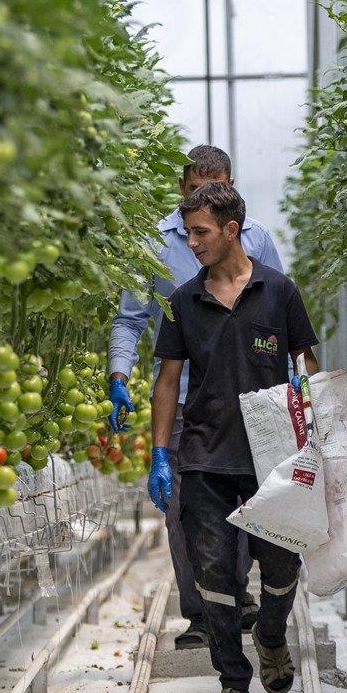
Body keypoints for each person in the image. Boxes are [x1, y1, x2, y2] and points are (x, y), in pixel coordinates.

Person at [149, 182, 319, 693]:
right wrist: (159, 453)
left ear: (230, 229)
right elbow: (168, 381)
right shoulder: (184, 301)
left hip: (273, 458)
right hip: (204, 455)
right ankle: (232, 681)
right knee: (214, 573)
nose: (192, 242)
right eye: (189, 232)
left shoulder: (279, 291)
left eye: (200, 232)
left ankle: (270, 635)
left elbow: (305, 359)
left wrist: (305, 386)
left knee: (281, 566)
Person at [107, 145, 284, 650]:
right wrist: (120, 373)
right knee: (185, 509)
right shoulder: (156, 244)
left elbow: (278, 306)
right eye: (198, 188)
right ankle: (204, 613)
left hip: (252, 396)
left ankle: (236, 592)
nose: (207, 197)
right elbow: (131, 316)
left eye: (219, 188)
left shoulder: (257, 239)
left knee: (253, 501)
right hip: (185, 397)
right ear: (183, 188)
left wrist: (293, 380)